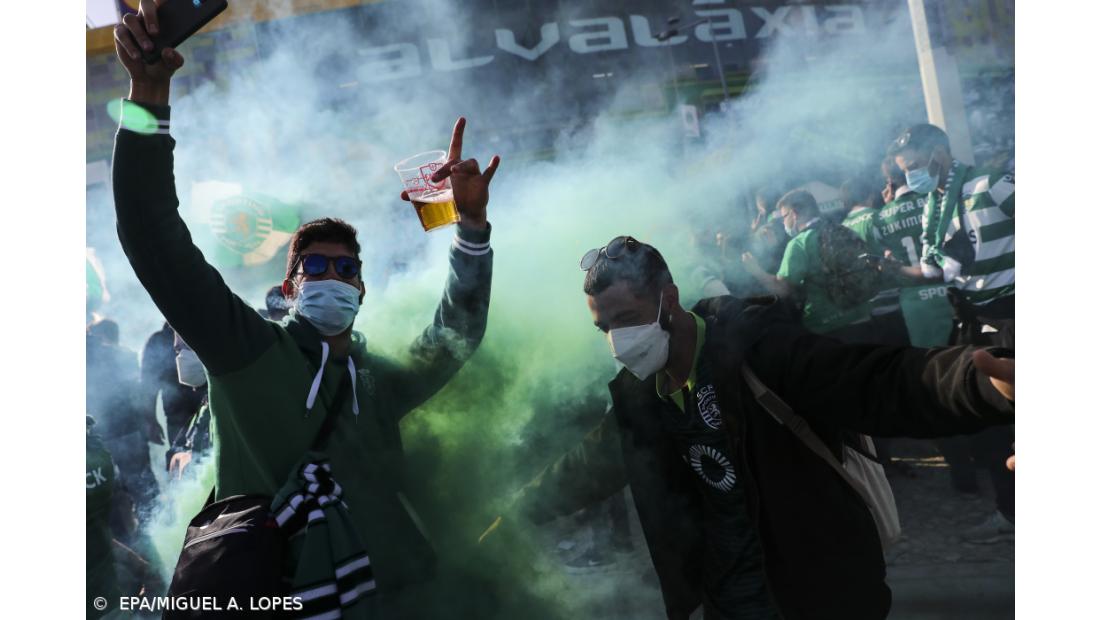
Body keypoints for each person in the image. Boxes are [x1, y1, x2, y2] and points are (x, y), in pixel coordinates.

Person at [112, 6, 500, 615]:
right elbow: (151, 233)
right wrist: (148, 94)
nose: (333, 277)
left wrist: (470, 229)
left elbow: (456, 333)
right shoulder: (245, 351)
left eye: (348, 269)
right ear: (290, 289)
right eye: (314, 267)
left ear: (363, 291)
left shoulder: (376, 382)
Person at [505, 236, 1014, 620]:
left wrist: (982, 384)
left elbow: (876, 382)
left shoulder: (757, 349)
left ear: (670, 298)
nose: (619, 339)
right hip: (727, 601)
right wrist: (513, 515)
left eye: (628, 318)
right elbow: (593, 463)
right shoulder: (643, 393)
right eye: (605, 329)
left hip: (818, 595)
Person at [889, 123, 1016, 541]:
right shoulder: (932, 206)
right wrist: (889, 270)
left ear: (939, 154)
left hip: (1014, 314)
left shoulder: (992, 183)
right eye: (904, 170)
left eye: (913, 166)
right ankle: (1010, 511)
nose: (910, 176)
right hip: (973, 321)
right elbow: (933, 270)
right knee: (991, 421)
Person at [139, 322, 202, 466]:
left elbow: (148, 385)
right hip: (178, 414)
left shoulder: (158, 340)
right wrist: (151, 420)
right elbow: (149, 384)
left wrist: (151, 421)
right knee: (184, 456)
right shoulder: (158, 341)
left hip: (199, 408)